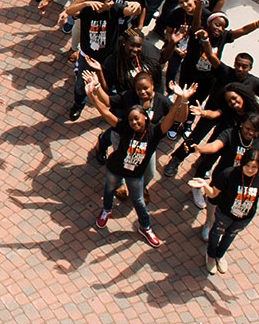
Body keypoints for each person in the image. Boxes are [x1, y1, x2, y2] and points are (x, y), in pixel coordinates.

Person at [82, 70, 192, 248]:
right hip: (116, 167)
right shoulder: (124, 127)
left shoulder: (155, 132)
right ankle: (107, 210)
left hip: (136, 174)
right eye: (132, 120)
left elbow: (172, 116)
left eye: (137, 120)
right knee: (109, 190)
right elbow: (105, 111)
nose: (134, 123)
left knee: (139, 200)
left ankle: (145, 227)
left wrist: (182, 98)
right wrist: (92, 94)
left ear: (146, 118)